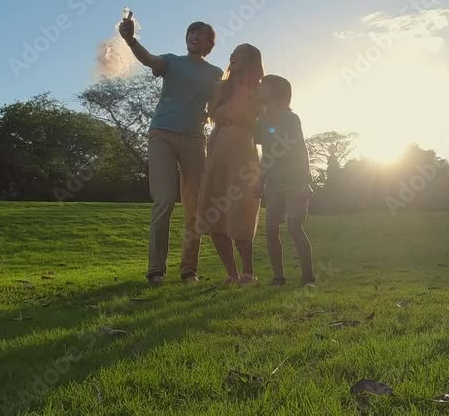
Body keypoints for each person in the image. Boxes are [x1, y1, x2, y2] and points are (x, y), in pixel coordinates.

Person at [118, 14, 224, 284]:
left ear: (209, 43)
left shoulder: (215, 73)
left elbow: (218, 106)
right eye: (191, 32)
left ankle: (189, 270)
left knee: (194, 207)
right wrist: (131, 40)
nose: (194, 36)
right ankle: (156, 269)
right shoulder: (172, 62)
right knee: (164, 200)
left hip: (193, 140)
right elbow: (149, 59)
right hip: (162, 135)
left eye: (200, 34)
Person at [196, 43, 264, 284]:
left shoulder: (260, 91)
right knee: (214, 212)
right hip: (217, 150)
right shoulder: (220, 87)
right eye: (233, 53)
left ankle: (248, 272)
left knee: (241, 211)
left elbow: (266, 124)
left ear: (253, 62)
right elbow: (210, 115)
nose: (234, 57)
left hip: (244, 151)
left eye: (241, 54)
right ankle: (231, 274)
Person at [253, 75, 316, 286]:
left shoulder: (291, 119)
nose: (258, 88)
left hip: (295, 182)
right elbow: (264, 152)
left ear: (276, 92)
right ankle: (278, 277)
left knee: (294, 227)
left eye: (263, 86)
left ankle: (308, 278)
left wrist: (304, 180)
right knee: (271, 229)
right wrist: (260, 183)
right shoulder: (262, 121)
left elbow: (300, 150)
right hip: (273, 184)